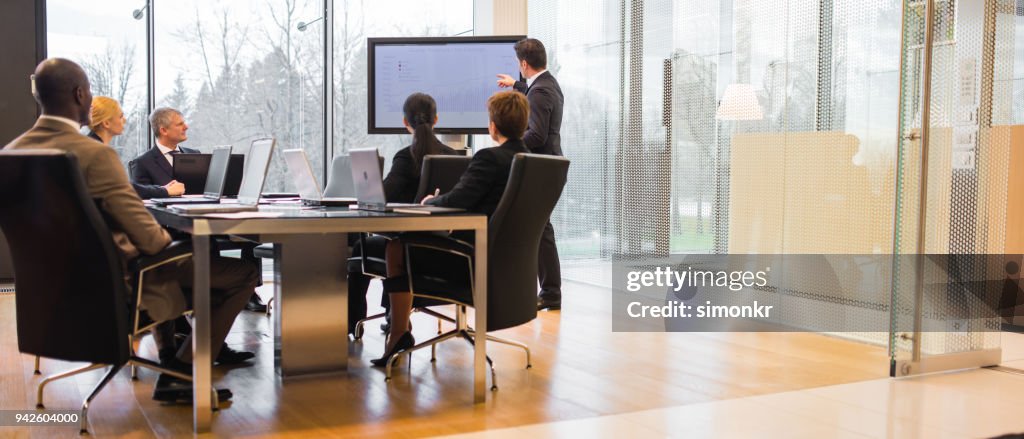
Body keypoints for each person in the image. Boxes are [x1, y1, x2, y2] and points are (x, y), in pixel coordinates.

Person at [4, 58, 257, 402]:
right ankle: (181, 374)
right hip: (118, 287)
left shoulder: (11, 154)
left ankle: (171, 355)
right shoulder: (93, 155)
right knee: (242, 272)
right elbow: (151, 240)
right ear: (80, 94)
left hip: (51, 294)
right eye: (89, 92)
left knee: (193, 270)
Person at [371, 90, 530, 366]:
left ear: (492, 126)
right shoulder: (531, 162)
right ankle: (398, 330)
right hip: (511, 265)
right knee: (402, 247)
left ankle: (398, 333)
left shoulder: (489, 159)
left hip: (469, 261)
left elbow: (458, 199)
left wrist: (433, 200)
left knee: (396, 248)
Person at [130, 107, 268, 313]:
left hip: (206, 218)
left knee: (249, 236)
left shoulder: (194, 155)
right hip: (174, 229)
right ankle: (217, 291)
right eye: (180, 123)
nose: (186, 126)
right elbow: (142, 202)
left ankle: (249, 292)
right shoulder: (142, 163)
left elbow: (210, 188)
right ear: (164, 129)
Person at [348, 93, 457, 334]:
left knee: (362, 246)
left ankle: (351, 322)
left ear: (405, 122)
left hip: (407, 251)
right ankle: (392, 312)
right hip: (448, 251)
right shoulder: (456, 158)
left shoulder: (406, 158)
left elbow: (382, 197)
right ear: (436, 119)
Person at [497, 38, 564, 311]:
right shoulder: (547, 84)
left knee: (541, 230)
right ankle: (549, 292)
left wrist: (509, 142)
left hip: (542, 169)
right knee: (541, 228)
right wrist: (515, 84)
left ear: (524, 63)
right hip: (548, 168)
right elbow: (533, 92)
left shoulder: (540, 92)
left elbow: (536, 134)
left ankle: (550, 293)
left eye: (518, 65)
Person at [87, 96, 185, 199]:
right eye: (120, 116)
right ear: (106, 123)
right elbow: (123, 188)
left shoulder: (92, 146)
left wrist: (163, 189)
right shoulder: (98, 151)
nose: (124, 120)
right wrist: (165, 191)